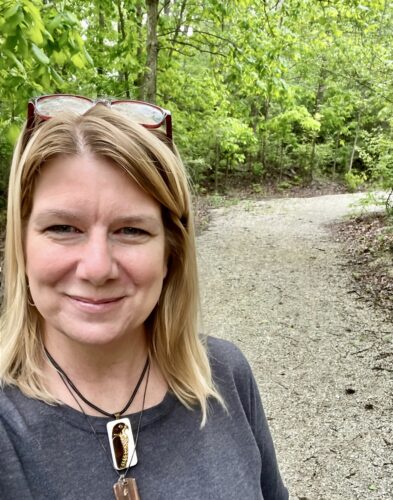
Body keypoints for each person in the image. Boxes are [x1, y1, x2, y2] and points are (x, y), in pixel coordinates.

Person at [0, 94, 288, 500]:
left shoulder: (225, 375)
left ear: (171, 252)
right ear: (22, 245)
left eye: (131, 230)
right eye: (63, 228)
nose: (97, 268)